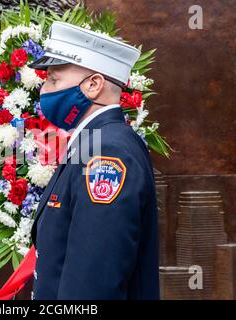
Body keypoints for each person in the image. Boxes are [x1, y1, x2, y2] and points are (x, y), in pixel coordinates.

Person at [26, 21, 160, 300]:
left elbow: (93, 283)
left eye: (54, 79)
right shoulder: (93, 143)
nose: (45, 90)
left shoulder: (108, 152)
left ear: (94, 84)